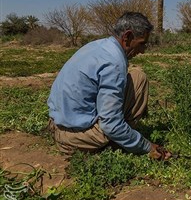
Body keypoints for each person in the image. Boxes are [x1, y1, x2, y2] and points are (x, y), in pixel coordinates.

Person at [47, 11, 171, 160]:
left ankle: (122, 138)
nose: (143, 51)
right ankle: (120, 142)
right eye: (142, 43)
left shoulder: (99, 46)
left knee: (138, 77)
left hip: (55, 124)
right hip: (75, 137)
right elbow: (110, 125)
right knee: (114, 125)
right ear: (127, 37)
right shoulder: (114, 63)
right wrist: (147, 147)